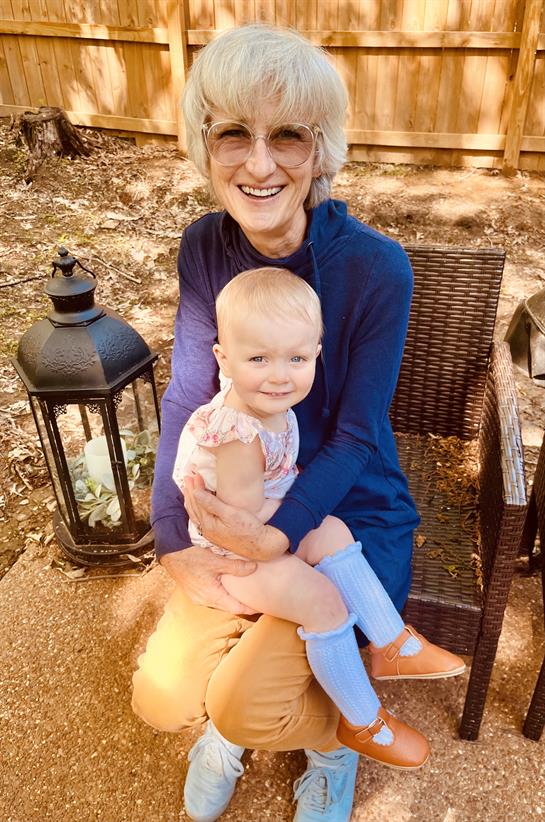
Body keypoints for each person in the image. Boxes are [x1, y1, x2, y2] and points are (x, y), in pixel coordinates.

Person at [131, 24, 463, 822]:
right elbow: (186, 394)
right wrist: (172, 538)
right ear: (204, 144)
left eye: (286, 135)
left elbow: (354, 437)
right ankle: (276, 706)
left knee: (243, 706)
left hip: (341, 516)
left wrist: (273, 538)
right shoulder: (204, 247)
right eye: (232, 134)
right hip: (237, 508)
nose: (258, 164)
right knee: (162, 699)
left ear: (320, 150)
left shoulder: (375, 268)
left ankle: (332, 744)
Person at [172, 265, 464, 771]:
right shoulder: (239, 434)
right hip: (230, 551)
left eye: (297, 358)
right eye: (258, 358)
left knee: (335, 530)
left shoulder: (273, 404)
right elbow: (243, 524)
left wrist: (304, 517)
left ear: (316, 355)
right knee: (324, 604)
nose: (279, 375)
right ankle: (362, 721)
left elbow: (278, 494)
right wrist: (296, 524)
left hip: (258, 525)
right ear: (223, 359)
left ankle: (392, 643)